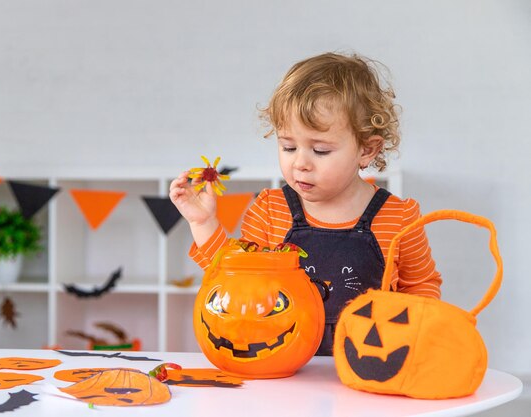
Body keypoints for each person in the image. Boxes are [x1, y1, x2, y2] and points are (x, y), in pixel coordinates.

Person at [169, 52, 441, 356]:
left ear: (367, 149)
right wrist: (202, 223)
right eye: (288, 146)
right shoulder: (270, 209)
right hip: (282, 364)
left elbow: (421, 288)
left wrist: (417, 337)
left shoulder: (401, 217)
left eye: (320, 150)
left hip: (370, 363)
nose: (300, 163)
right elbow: (238, 279)